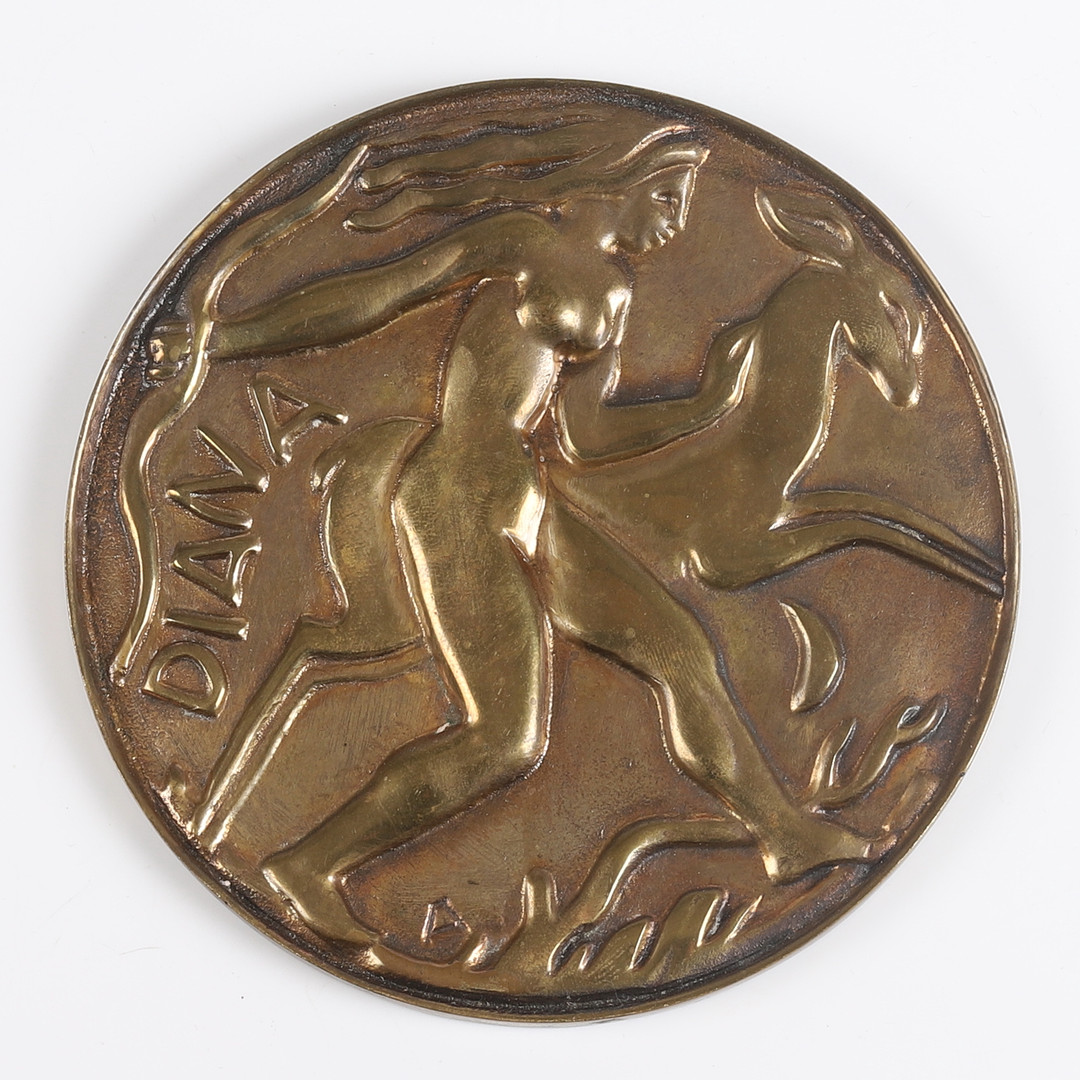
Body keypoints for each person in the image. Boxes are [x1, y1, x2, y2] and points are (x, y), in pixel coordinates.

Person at [174, 117, 874, 946]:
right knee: (505, 742)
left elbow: (585, 436)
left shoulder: (611, 291)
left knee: (679, 648)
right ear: (615, 180)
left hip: (526, 495)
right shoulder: (519, 241)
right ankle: (310, 864)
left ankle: (785, 836)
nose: (675, 221)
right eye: (667, 196)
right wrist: (224, 340)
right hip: (453, 494)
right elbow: (379, 294)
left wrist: (710, 401)